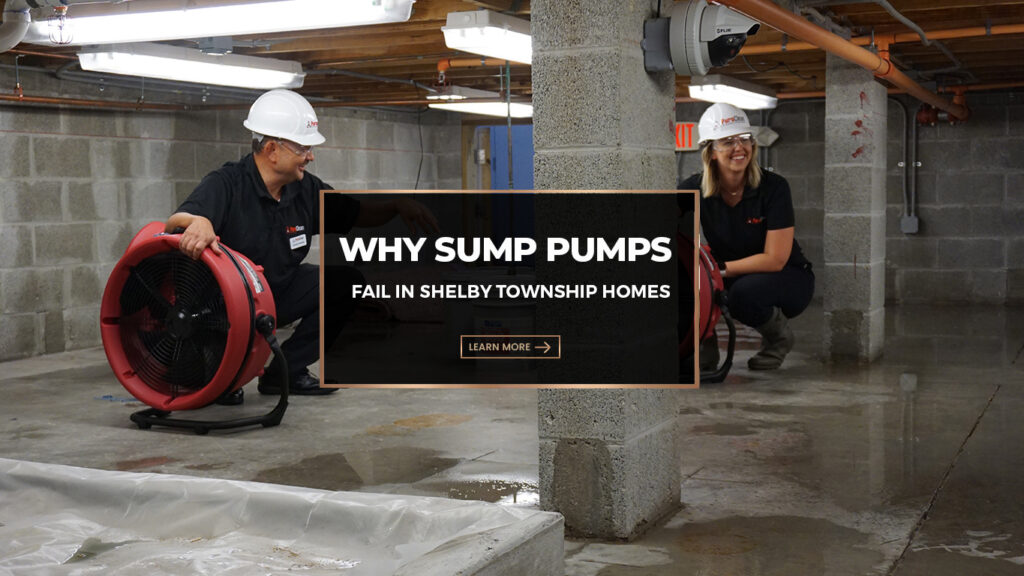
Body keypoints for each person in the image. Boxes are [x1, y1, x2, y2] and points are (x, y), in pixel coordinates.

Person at [167, 89, 438, 404]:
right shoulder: (227, 183)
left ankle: (287, 372)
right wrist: (196, 222)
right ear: (272, 149)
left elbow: (355, 213)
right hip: (224, 305)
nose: (310, 156)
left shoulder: (304, 189)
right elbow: (178, 220)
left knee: (345, 283)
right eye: (304, 148)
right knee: (217, 390)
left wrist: (396, 206)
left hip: (277, 292)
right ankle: (222, 371)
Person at [678, 103, 814, 371]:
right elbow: (675, 245)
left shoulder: (773, 188)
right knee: (680, 281)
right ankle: (702, 349)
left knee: (743, 294)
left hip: (786, 277)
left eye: (744, 139)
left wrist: (715, 272)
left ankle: (778, 339)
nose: (739, 147)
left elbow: (775, 259)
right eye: (728, 141)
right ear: (711, 151)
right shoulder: (691, 189)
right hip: (728, 273)